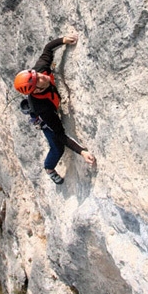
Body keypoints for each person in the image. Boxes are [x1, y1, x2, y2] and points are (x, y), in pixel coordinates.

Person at [14, 34, 96, 184]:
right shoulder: (43, 109)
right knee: (58, 148)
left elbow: (48, 49)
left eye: (37, 75)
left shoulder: (39, 70)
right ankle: (49, 168)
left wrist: (63, 40)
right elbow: (60, 135)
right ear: (36, 91)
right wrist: (82, 152)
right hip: (45, 120)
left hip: (48, 104)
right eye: (38, 80)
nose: (42, 77)